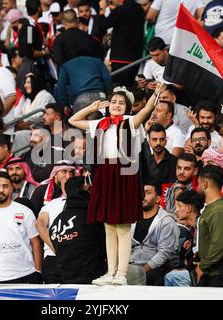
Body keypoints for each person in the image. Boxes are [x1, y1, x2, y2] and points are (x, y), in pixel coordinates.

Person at [69, 85, 160, 286]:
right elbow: (72, 120)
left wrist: (155, 95)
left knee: (123, 226)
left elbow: (145, 111)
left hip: (124, 173)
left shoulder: (130, 122)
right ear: (108, 105)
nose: (117, 105)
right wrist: (91, 107)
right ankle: (110, 273)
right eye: (114, 102)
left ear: (127, 107)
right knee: (109, 226)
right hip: (104, 173)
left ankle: (122, 273)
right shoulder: (100, 123)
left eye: (121, 103)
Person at [48, 176, 107, 284]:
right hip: (95, 279)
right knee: (137, 272)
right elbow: (106, 247)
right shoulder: (91, 217)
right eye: (89, 189)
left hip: (66, 280)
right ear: (83, 190)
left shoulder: (57, 220)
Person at [195, 165, 223, 287]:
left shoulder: (218, 210)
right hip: (214, 272)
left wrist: (202, 266)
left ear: (204, 184)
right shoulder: (213, 208)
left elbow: (219, 245)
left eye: (198, 183)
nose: (197, 187)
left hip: (220, 275)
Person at [129, 183, 180, 285]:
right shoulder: (131, 217)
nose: (143, 196)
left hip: (154, 269)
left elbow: (164, 253)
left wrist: (142, 270)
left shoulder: (166, 221)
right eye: (142, 193)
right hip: (129, 265)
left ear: (158, 199)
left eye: (148, 193)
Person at [99, 0, 144, 87]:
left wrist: (102, 9)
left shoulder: (120, 10)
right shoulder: (140, 9)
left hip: (120, 58)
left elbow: (102, 25)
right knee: (130, 89)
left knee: (120, 90)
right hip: (135, 58)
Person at [164, 190, 203, 287]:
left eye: (180, 206)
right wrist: (184, 252)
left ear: (189, 208)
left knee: (172, 276)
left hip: (205, 271)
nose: (176, 210)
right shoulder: (195, 227)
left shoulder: (202, 223)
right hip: (194, 269)